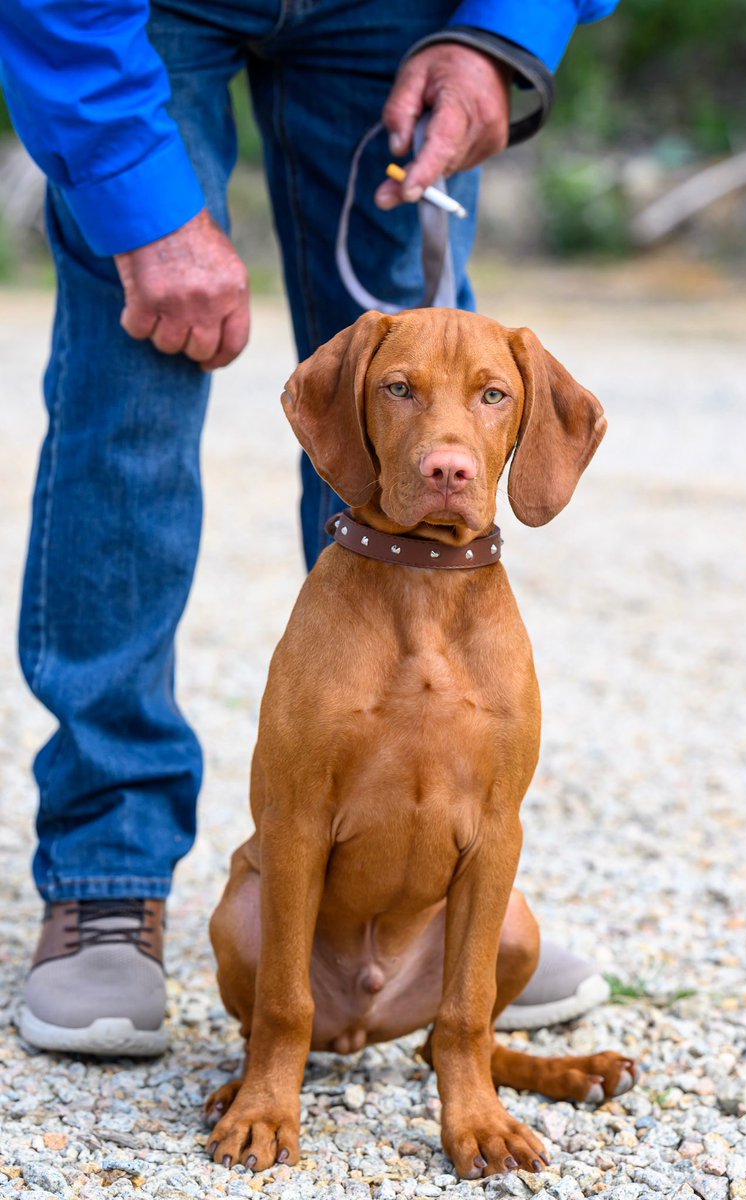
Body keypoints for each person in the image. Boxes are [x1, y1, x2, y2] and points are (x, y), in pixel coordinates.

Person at [0, 0, 619, 1056]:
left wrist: (500, 33)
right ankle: (107, 878)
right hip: (134, 12)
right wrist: (137, 197)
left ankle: (422, 905)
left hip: (404, 11)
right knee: (130, 386)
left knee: (423, 361)